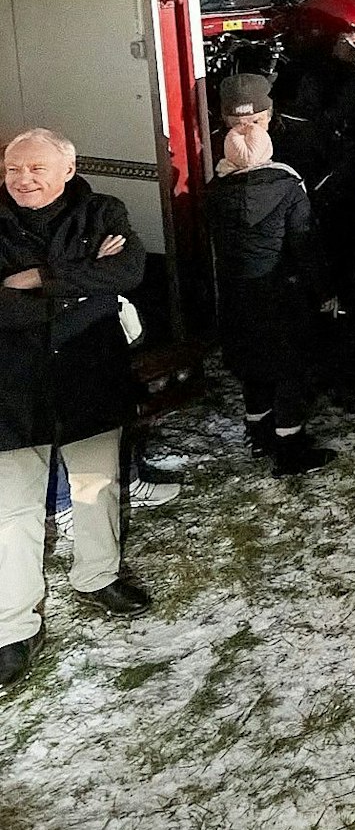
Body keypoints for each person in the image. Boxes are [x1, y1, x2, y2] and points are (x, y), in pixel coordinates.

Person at [0, 127, 156, 688]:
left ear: (68, 170)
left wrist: (40, 280)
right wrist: (77, 291)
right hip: (13, 388)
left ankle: (98, 577)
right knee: (11, 511)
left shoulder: (101, 210)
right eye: (14, 169)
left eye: (37, 168)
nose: (24, 180)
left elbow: (129, 270)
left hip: (88, 376)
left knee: (96, 484)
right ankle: (14, 626)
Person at [205, 121, 338, 474]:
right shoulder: (288, 187)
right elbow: (305, 243)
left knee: (253, 365)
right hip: (280, 290)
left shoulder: (214, 192)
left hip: (235, 293)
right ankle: (289, 447)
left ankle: (259, 434)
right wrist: (323, 290)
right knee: (288, 368)